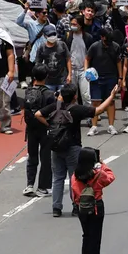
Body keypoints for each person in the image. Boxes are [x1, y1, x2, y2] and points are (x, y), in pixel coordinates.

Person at [35, 84, 118, 217]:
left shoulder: (55, 106)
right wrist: (112, 96)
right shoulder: (76, 109)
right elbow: (98, 110)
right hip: (73, 147)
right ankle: (76, 205)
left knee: (57, 178)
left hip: (55, 146)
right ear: (75, 96)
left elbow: (38, 114)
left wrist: (50, 124)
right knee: (74, 177)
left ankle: (56, 208)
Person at [70, 146, 115, 254]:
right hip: (96, 206)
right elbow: (110, 177)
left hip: (81, 208)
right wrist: (102, 164)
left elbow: (74, 191)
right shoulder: (98, 174)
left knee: (86, 234)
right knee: (95, 236)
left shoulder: (75, 175)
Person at [22, 65, 55, 197]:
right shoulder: (49, 94)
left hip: (31, 129)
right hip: (45, 129)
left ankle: (29, 185)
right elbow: (52, 113)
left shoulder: (28, 91)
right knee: (46, 158)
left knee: (32, 157)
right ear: (46, 76)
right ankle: (43, 187)